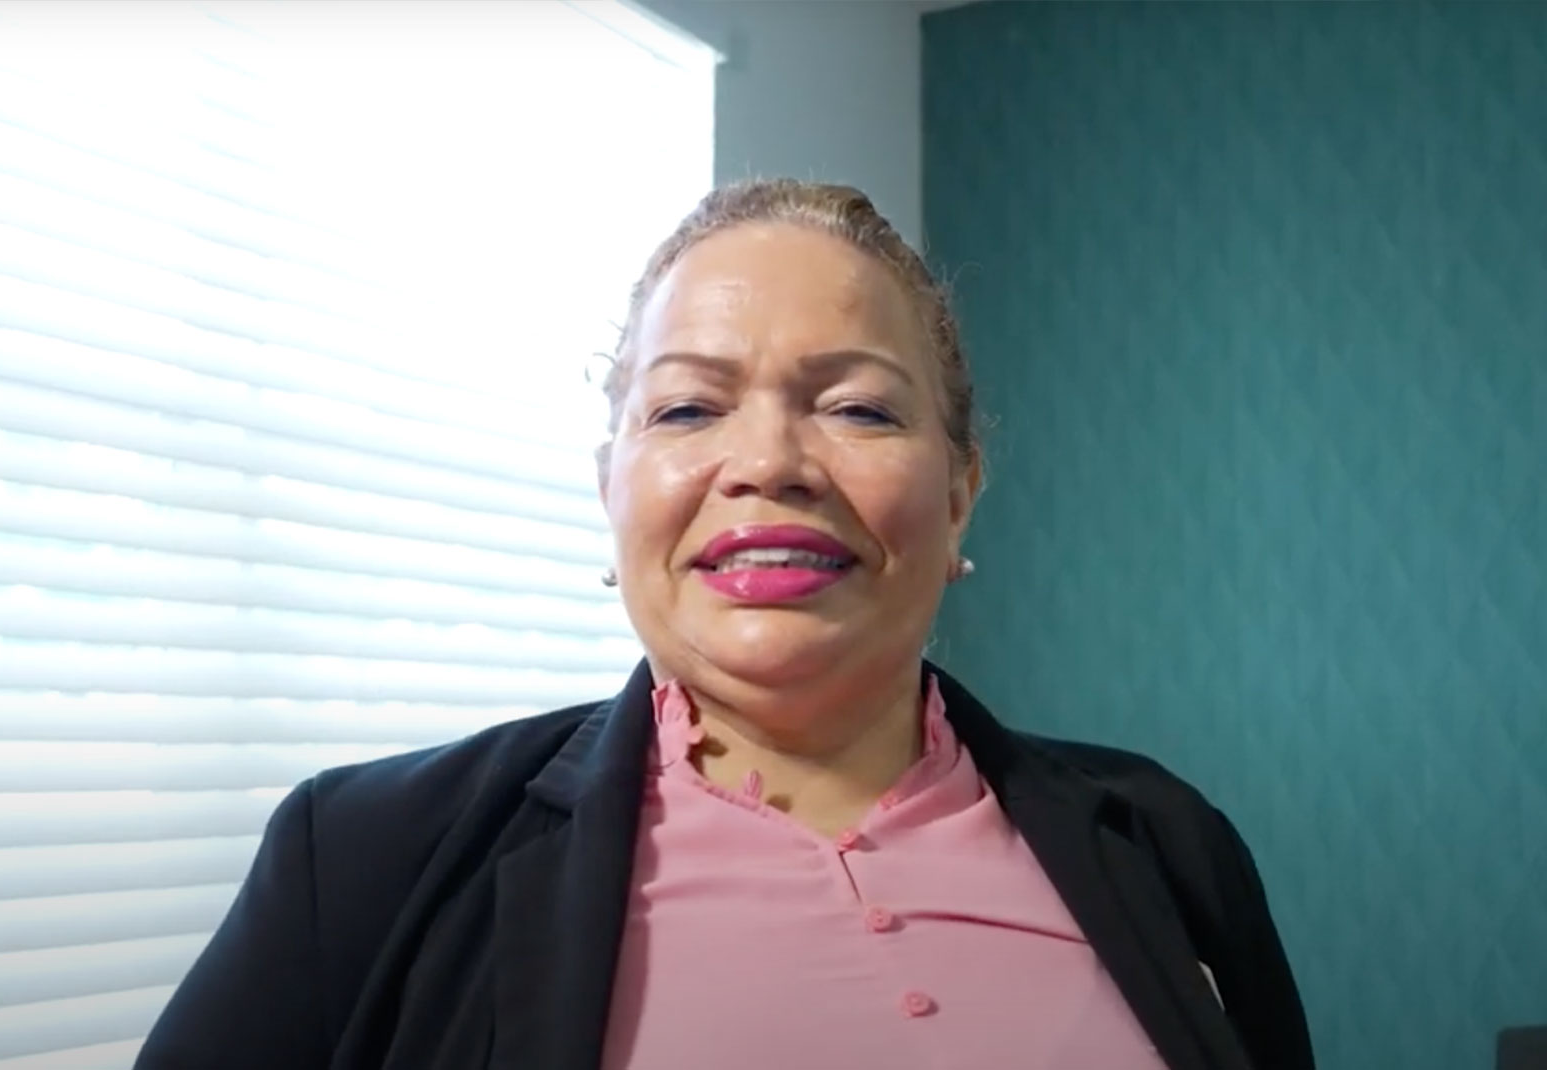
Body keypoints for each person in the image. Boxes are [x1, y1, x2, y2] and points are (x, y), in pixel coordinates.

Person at [135, 179, 1313, 1070]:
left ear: (959, 491)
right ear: (611, 489)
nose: (767, 461)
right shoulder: (361, 858)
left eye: (858, 408)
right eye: (689, 408)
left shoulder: (1166, 839)